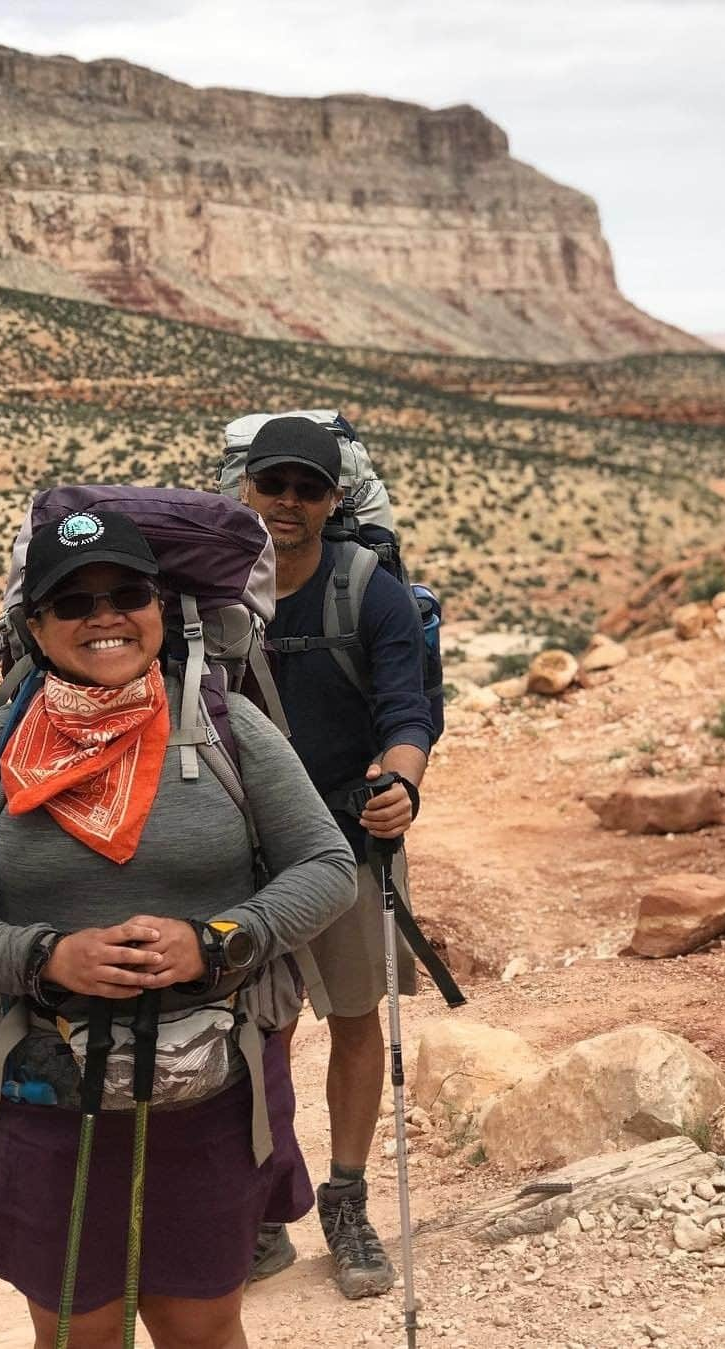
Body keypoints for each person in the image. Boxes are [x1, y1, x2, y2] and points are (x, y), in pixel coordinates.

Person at [0, 508, 356, 1349]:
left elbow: (327, 866)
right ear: (34, 627)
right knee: (80, 1328)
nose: (102, 615)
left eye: (125, 593)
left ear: (161, 607)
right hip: (47, 1089)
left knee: (203, 1325)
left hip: (212, 1085)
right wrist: (47, 955)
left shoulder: (227, 725)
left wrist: (219, 939)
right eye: (72, 602)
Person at [238, 417, 434, 1300]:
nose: (288, 501)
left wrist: (401, 785)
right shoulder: (213, 588)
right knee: (247, 1032)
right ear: (246, 486)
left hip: (349, 841)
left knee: (355, 1019)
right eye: (274, 483)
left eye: (307, 488)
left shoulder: (371, 591)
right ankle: (259, 1207)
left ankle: (345, 1198)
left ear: (334, 497)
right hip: (242, 851)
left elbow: (408, 710)